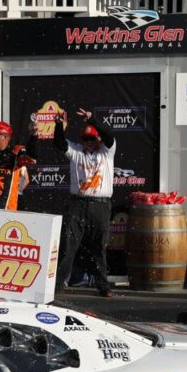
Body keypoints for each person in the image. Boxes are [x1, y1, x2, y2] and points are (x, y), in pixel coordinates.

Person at [53, 107, 116, 298]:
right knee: (68, 245)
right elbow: (59, 142)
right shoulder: (76, 151)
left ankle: (103, 286)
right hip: (78, 204)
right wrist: (58, 125)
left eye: (92, 139)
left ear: (98, 139)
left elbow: (109, 136)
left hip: (100, 205)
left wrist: (92, 119)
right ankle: (56, 286)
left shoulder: (106, 151)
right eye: (85, 139)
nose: (88, 143)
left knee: (98, 247)